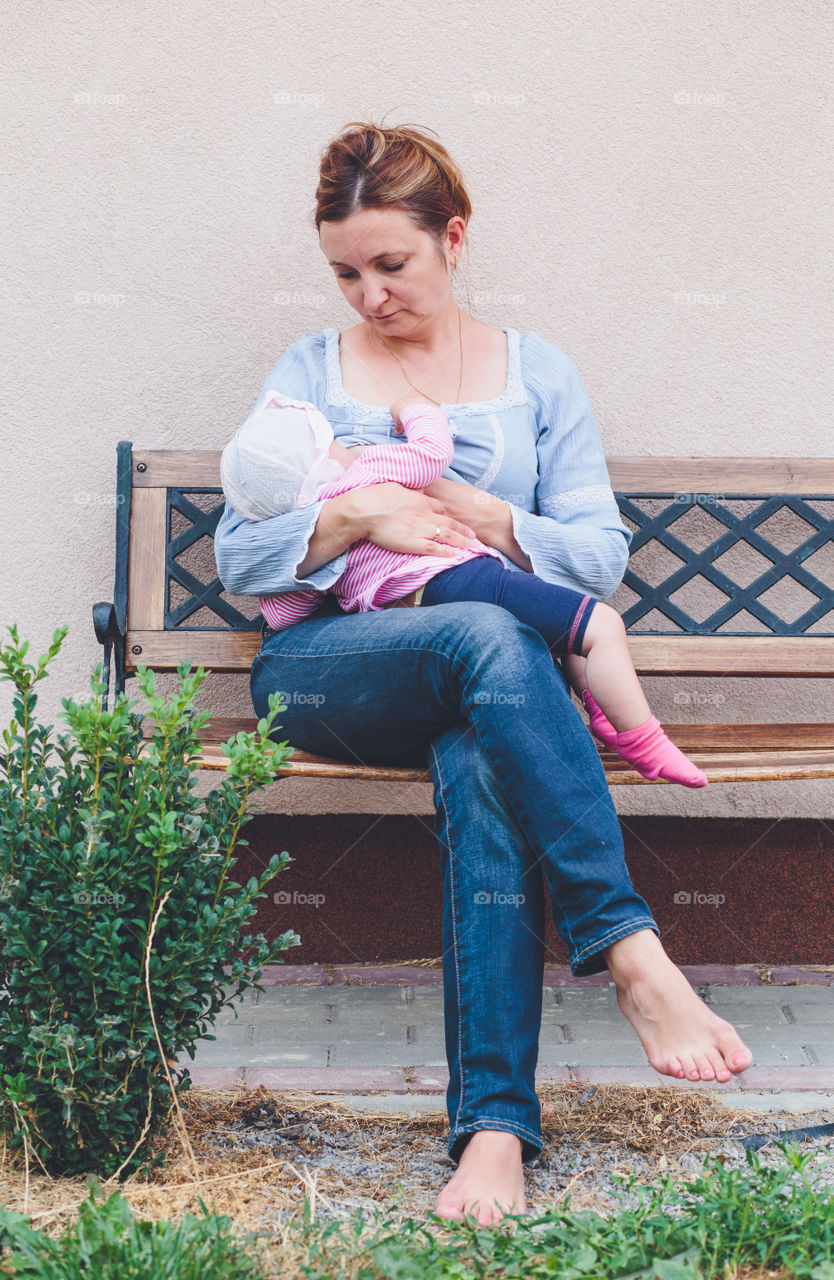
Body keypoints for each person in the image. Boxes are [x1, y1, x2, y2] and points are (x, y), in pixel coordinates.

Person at [213, 119, 753, 1226]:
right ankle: (631, 952)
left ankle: (494, 1132)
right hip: (329, 671)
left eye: (391, 264)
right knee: (491, 640)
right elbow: (238, 555)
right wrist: (356, 513)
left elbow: (597, 556)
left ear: (453, 239)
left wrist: (486, 515)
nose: (367, 294)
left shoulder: (535, 373)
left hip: (485, 687)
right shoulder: (307, 372)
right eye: (345, 272)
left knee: (487, 727)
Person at [220, 391, 707, 786]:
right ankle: (643, 739)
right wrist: (414, 409)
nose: (346, 446)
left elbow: (286, 614)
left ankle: (601, 710)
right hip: (460, 584)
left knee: (563, 637)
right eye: (332, 443)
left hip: (404, 623)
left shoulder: (310, 527)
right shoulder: (367, 474)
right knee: (600, 624)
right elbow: (433, 454)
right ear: (323, 464)